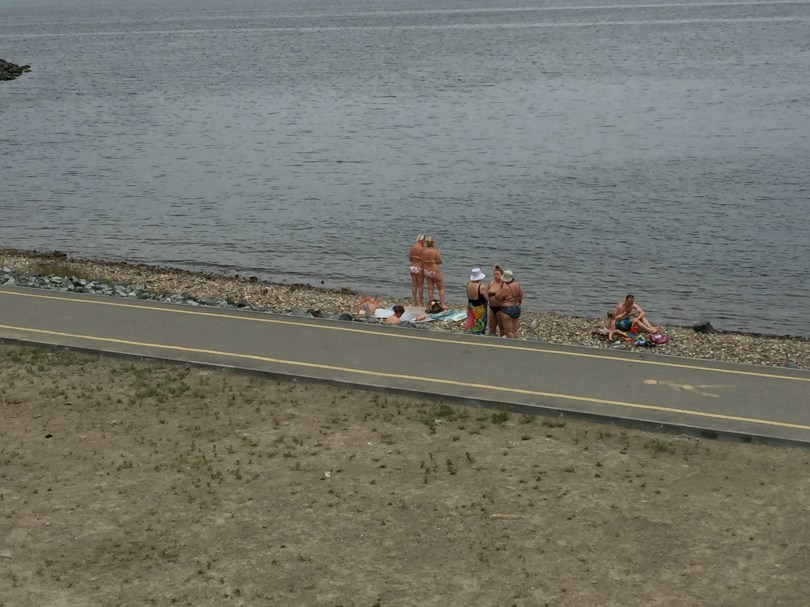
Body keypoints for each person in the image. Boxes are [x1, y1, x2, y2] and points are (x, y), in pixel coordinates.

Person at [489, 269, 523, 339]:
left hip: (507, 309)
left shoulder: (505, 287)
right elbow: (521, 296)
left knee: (509, 331)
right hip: (516, 307)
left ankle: (511, 344)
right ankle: (517, 343)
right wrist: (518, 303)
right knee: (515, 330)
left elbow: (497, 296)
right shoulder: (517, 285)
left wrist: (500, 287)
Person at [421, 236, 446, 310]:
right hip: (434, 270)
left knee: (430, 288)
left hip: (426, 271)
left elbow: (422, 262)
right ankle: (443, 304)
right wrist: (440, 254)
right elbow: (439, 261)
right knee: (441, 288)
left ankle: (432, 304)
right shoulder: (435, 251)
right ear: (433, 243)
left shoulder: (423, 251)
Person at [464, 267, 488, 335]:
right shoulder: (481, 286)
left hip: (471, 306)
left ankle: (471, 332)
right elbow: (487, 298)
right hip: (479, 307)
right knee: (480, 322)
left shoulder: (468, 284)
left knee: (471, 320)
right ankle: (479, 334)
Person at [407, 234, 425, 307]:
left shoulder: (413, 247)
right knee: (420, 285)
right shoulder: (422, 249)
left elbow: (410, 258)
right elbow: (423, 260)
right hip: (419, 267)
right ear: (422, 240)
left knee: (414, 285)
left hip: (412, 267)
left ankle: (414, 301)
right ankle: (420, 301)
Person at [486, 264, 504, 336]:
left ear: (501, 275)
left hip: (500, 308)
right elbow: (486, 293)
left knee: (501, 327)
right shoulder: (491, 282)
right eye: (495, 274)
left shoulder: (503, 284)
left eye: (497, 274)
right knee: (491, 326)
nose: (496, 275)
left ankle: (502, 339)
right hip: (492, 307)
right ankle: (492, 338)